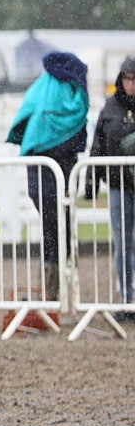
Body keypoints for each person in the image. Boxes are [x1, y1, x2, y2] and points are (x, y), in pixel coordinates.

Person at [6, 51, 90, 300]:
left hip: (46, 167)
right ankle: (58, 290)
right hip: (58, 167)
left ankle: (54, 291)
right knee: (58, 229)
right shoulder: (72, 93)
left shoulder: (42, 90)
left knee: (53, 229)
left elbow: (24, 118)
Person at [86, 55, 135, 309]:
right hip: (118, 185)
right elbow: (97, 146)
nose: (130, 84)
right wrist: (91, 180)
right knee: (123, 243)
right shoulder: (110, 108)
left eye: (134, 79)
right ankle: (127, 299)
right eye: (127, 79)